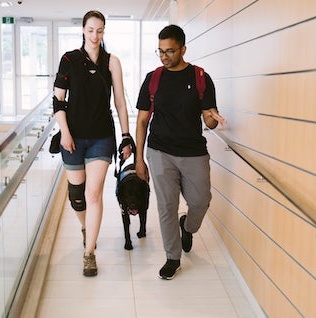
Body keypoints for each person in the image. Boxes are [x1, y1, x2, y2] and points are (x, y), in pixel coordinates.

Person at [135, 24, 226, 280]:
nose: (164, 56)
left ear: (183, 49)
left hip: (193, 151)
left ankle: (188, 226)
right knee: (167, 206)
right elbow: (142, 121)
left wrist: (213, 118)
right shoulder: (153, 79)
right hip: (160, 151)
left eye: (170, 51)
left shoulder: (200, 77)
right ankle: (172, 257)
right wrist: (139, 160)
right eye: (160, 51)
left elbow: (208, 118)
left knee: (200, 201)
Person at [53, 10, 132, 277]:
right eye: (90, 30)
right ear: (83, 30)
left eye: (99, 30)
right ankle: (87, 228)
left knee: (93, 194)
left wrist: (125, 135)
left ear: (104, 31)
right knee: (77, 196)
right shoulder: (69, 59)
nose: (95, 35)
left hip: (101, 136)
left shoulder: (112, 62)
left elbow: (120, 102)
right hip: (73, 137)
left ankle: (89, 254)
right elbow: (58, 101)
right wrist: (64, 132)